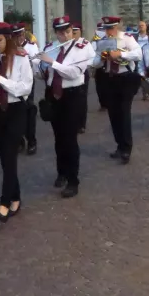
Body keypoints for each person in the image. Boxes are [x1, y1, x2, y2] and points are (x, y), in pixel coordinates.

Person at [34, 15, 95, 197]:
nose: (66, 36)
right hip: (53, 95)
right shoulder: (50, 48)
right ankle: (61, 172)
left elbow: (74, 73)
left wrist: (52, 63)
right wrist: (38, 66)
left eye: (68, 32)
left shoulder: (82, 48)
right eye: (61, 33)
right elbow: (42, 75)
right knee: (58, 137)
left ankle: (73, 180)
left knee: (70, 138)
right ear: (56, 33)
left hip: (72, 95)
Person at [0, 22, 33, 222]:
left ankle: (4, 203)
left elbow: (25, 88)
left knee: (10, 155)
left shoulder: (21, 58)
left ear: (8, 39)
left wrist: (1, 80)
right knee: (4, 158)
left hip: (16, 110)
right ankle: (16, 197)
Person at [92, 16, 142, 163]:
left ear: (118, 26)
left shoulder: (127, 38)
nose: (109, 31)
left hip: (124, 77)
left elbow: (138, 53)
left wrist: (121, 54)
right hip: (109, 78)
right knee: (113, 114)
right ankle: (119, 145)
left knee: (124, 112)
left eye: (111, 28)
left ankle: (127, 148)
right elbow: (94, 62)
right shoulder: (101, 41)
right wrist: (101, 58)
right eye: (106, 28)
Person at [13, 22, 39, 155]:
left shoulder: (31, 46)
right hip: (13, 81)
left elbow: (37, 63)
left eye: (21, 35)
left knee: (29, 110)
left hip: (28, 81)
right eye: (16, 36)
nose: (19, 38)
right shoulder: (10, 47)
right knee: (16, 111)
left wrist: (26, 56)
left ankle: (31, 141)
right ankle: (19, 140)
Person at [71, 22, 90, 133]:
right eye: (71, 32)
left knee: (82, 99)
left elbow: (91, 58)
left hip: (82, 73)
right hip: (70, 74)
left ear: (80, 32)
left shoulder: (86, 44)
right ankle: (73, 122)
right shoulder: (67, 44)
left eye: (75, 32)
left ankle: (81, 124)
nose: (73, 35)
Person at [92, 22, 108, 111]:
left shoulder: (110, 38)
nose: (101, 31)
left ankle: (109, 103)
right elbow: (92, 51)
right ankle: (103, 104)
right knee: (100, 86)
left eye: (103, 29)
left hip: (109, 64)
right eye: (100, 29)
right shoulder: (95, 39)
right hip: (100, 65)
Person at [136, 21, 149, 101]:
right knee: (141, 75)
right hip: (139, 58)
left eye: (142, 25)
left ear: (146, 26)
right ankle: (145, 92)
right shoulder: (135, 37)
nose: (141, 27)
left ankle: (148, 92)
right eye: (139, 25)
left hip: (147, 56)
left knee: (148, 74)